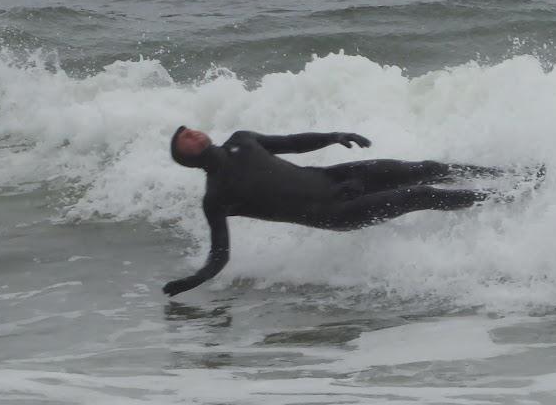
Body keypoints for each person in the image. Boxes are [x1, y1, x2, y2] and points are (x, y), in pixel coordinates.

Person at [162, 125, 520, 296]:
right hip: (337, 212)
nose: (194, 133)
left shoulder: (242, 140)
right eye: (186, 139)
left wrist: (332, 136)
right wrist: (197, 279)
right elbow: (220, 254)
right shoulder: (217, 197)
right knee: (420, 194)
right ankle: (499, 197)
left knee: (426, 168)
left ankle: (513, 178)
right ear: (187, 158)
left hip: (337, 177)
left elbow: (291, 143)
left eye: (190, 130)